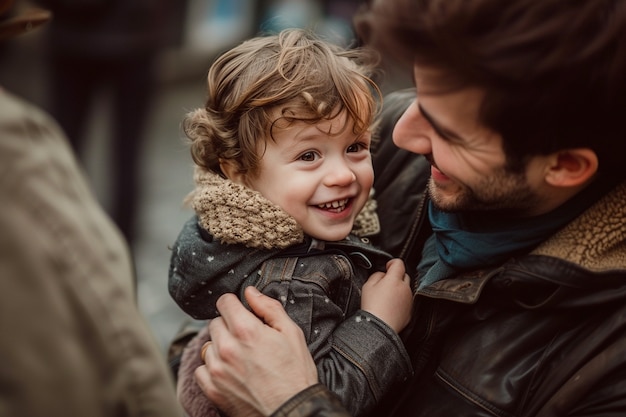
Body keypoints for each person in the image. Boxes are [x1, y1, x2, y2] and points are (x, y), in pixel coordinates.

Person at [191, 0, 626, 416]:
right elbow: (227, 286)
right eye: (418, 94)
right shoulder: (379, 152)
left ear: (565, 165)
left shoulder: (606, 367)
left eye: (449, 133)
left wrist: (288, 405)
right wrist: (202, 364)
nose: (400, 134)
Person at [167, 28, 414, 417]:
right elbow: (322, 397)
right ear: (239, 173)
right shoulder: (289, 284)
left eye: (355, 148)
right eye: (309, 155)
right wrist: (378, 323)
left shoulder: (269, 240)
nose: (342, 175)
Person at [0, 1, 182, 415]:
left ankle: (110, 266)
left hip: (84, 32)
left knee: (72, 155)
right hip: (126, 32)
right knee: (108, 161)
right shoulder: (10, 148)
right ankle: (117, 269)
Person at [34, 0, 176, 244]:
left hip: (82, 33)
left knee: (65, 148)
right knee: (123, 151)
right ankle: (121, 245)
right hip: (131, 32)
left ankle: (63, 233)